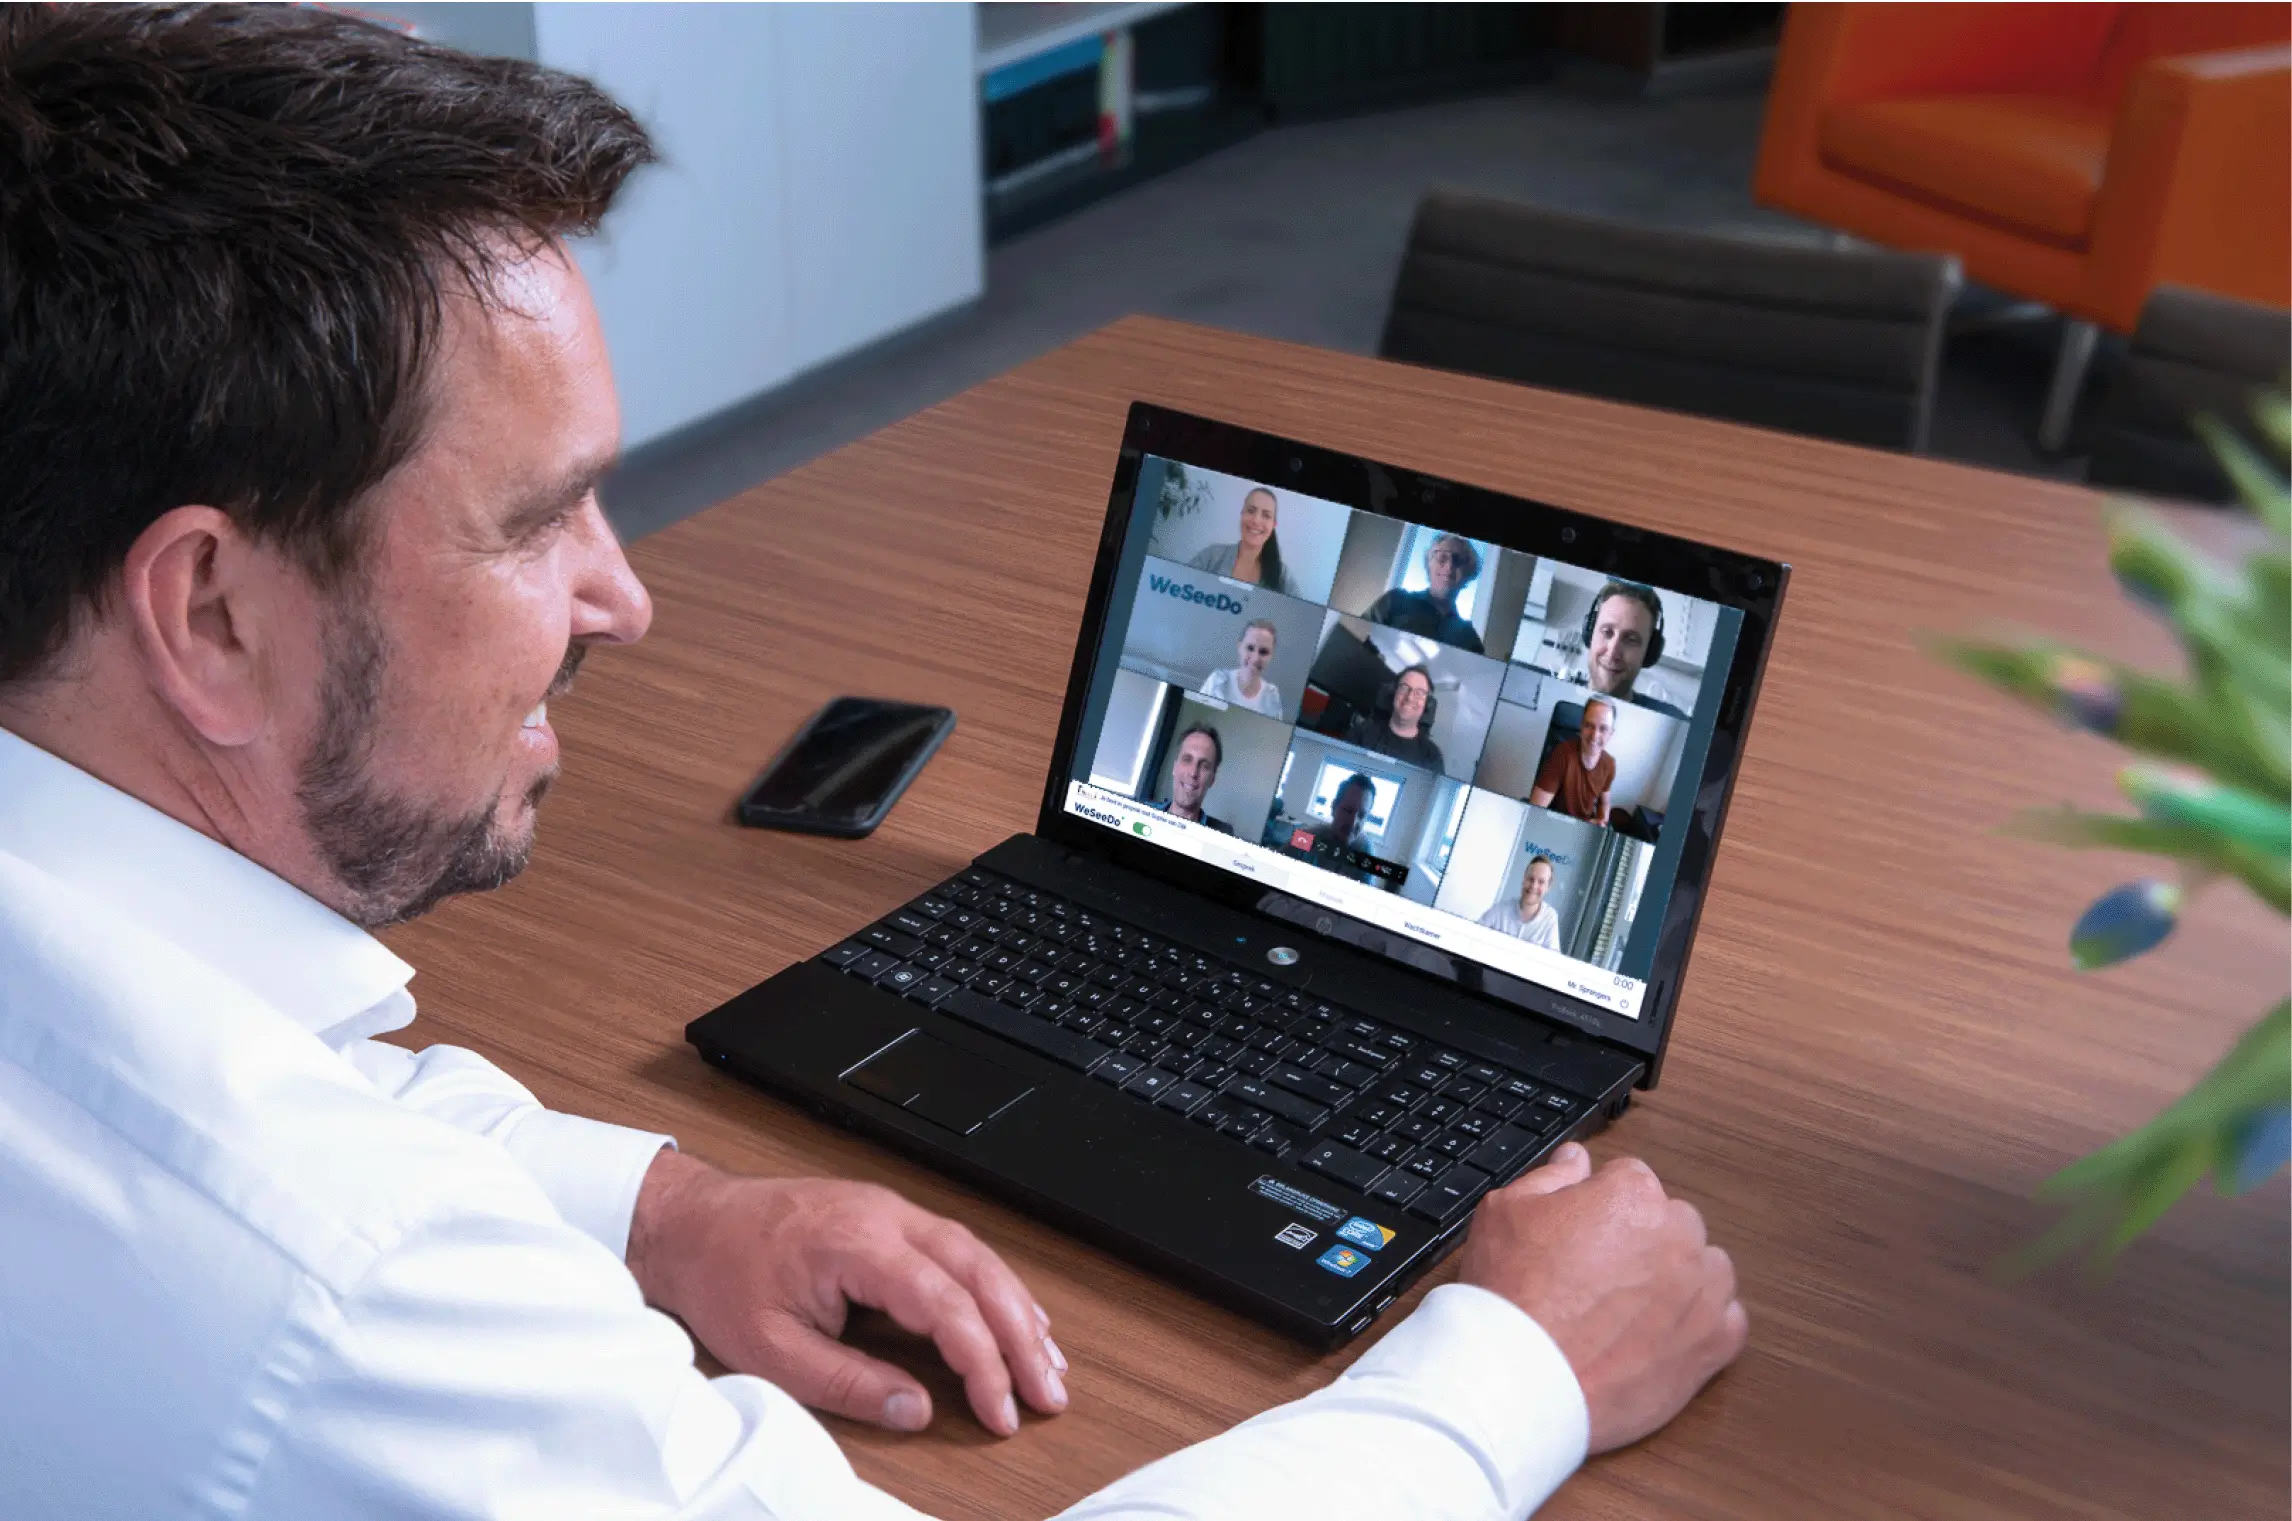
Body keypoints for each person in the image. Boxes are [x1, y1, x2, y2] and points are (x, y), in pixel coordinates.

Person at [0, 10, 1744, 1518]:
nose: (626, 595)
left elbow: (266, 1084)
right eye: (539, 520)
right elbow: (307, 1210)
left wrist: (662, 1207)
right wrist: (1516, 1369)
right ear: (211, 615)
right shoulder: (351, 1298)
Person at [1571, 582, 1689, 719]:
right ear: (1590, 634)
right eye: (1607, 632)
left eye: (1631, 639)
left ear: (1649, 651)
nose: (1612, 653)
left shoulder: (1673, 721)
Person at [1364, 532, 1485, 653]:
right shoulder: (1394, 600)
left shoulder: (1469, 639)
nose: (1449, 566)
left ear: (1468, 573)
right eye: (1441, 557)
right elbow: (1356, 638)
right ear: (1429, 564)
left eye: (1458, 560)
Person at [1184, 485, 1297, 596]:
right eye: (1251, 511)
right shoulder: (1211, 556)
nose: (1256, 520)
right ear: (1242, 514)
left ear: (1273, 525)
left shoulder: (1283, 576)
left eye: (1266, 515)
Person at [1529, 698, 1617, 825]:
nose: (1594, 736)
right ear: (1581, 726)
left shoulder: (1609, 764)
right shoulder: (1561, 754)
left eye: (1603, 729)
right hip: (1556, 824)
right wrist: (1587, 824)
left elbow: (1604, 802)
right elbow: (1534, 812)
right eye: (1589, 725)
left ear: (1610, 734)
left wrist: (1601, 822)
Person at [1344, 664, 1445, 772]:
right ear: (1394, 693)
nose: (1410, 697)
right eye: (1404, 688)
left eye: (1419, 693)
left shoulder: (1432, 756)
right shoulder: (1361, 733)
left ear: (1427, 703)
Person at [1152, 725, 1232, 834]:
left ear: (1212, 779)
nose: (1193, 773)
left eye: (1204, 766)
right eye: (1187, 760)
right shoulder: (1138, 812)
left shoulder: (1222, 837)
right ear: (1174, 767)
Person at [1197, 619, 1283, 718]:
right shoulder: (1217, 681)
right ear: (1239, 647)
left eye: (1263, 652)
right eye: (1250, 648)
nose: (1255, 659)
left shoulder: (1272, 695)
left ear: (1271, 656)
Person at [1480, 856, 1562, 950]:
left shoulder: (1550, 918)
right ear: (1524, 879)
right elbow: (1473, 934)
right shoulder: (1501, 910)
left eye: (1541, 882)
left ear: (1548, 887)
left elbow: (1551, 958)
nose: (1534, 886)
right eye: (1530, 879)